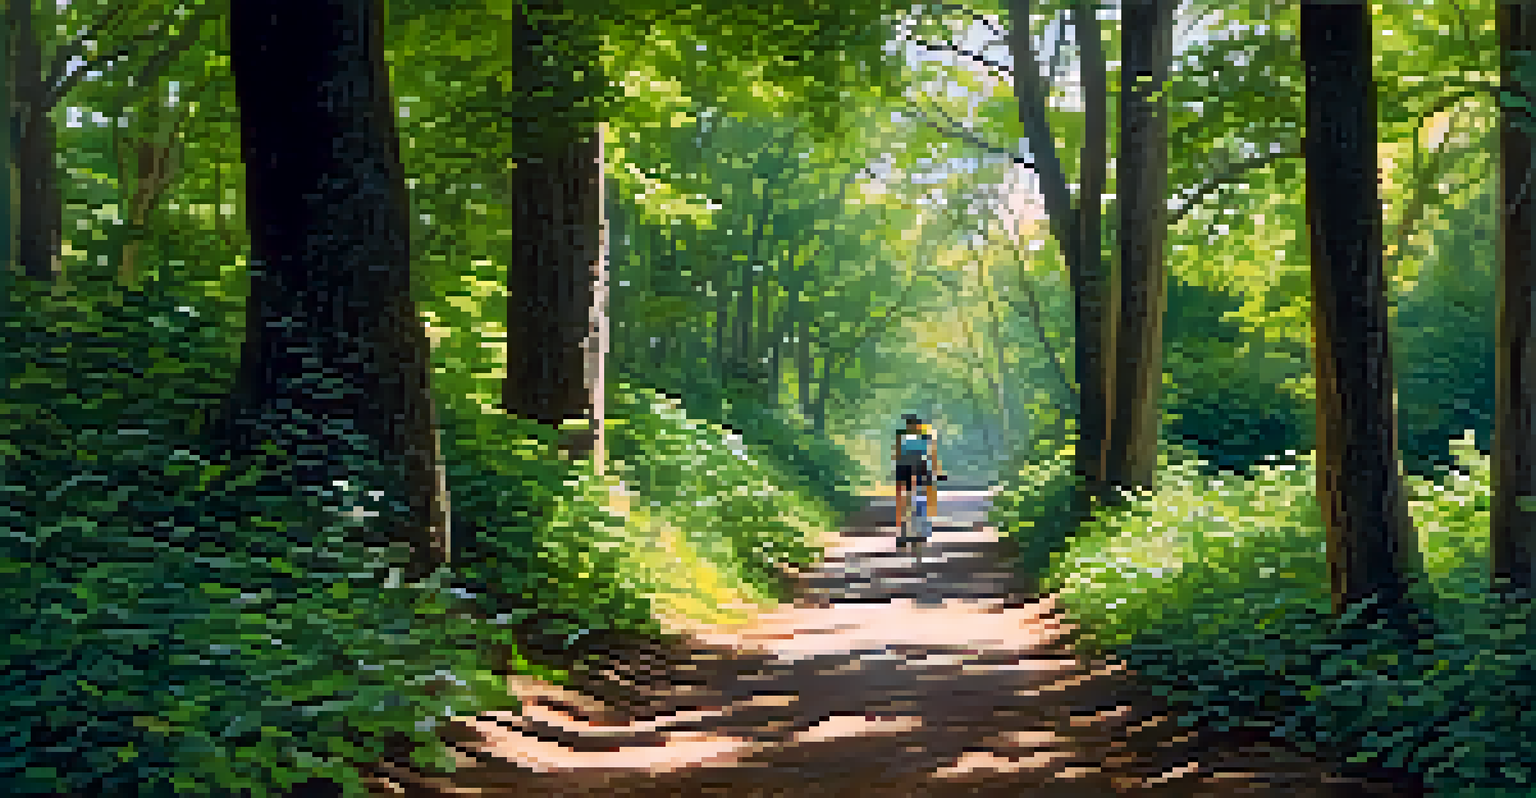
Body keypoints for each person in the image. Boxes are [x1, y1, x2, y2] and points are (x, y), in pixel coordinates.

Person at [893, 413, 945, 543]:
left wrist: (936, 471)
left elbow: (898, 455)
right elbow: (931, 456)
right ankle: (907, 530)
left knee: (913, 499)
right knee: (910, 500)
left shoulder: (908, 436)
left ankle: (908, 531)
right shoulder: (922, 437)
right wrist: (937, 472)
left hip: (912, 469)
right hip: (911, 469)